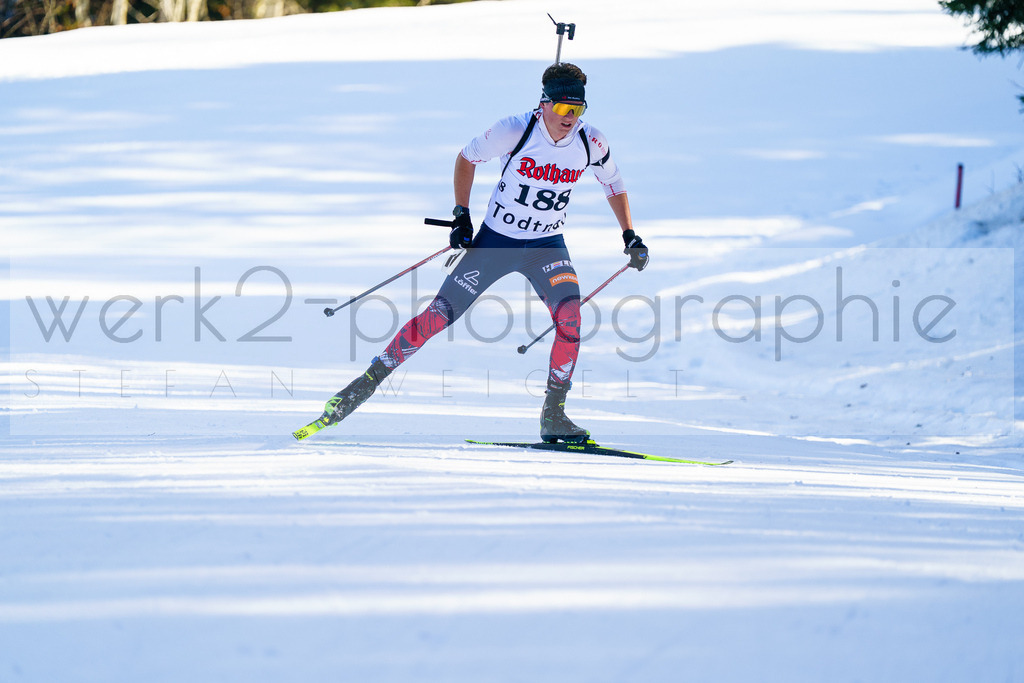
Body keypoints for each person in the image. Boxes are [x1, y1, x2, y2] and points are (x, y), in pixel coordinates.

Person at [318, 62, 649, 443]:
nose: (570, 118)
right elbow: (466, 158)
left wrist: (629, 234)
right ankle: (362, 387)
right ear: (544, 104)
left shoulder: (591, 142)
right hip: (495, 243)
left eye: (578, 110)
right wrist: (461, 215)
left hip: (547, 247)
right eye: (562, 109)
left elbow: (614, 183)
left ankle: (553, 416)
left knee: (571, 318)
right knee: (437, 317)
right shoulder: (515, 129)